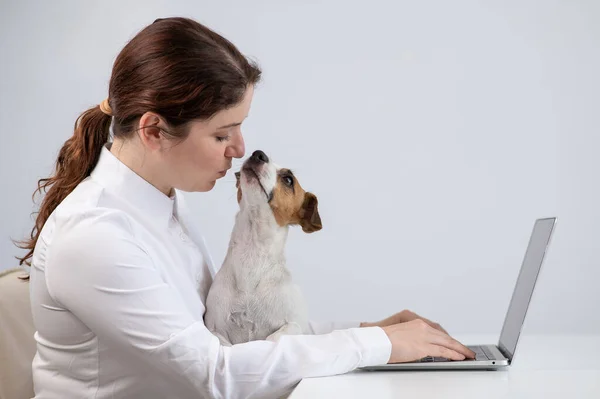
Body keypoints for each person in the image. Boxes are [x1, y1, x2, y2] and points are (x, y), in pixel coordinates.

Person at [17, 17, 475, 399]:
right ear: (154, 130)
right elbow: (216, 374)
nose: (239, 150)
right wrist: (374, 344)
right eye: (222, 134)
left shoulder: (159, 209)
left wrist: (368, 330)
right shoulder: (95, 236)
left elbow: (233, 338)